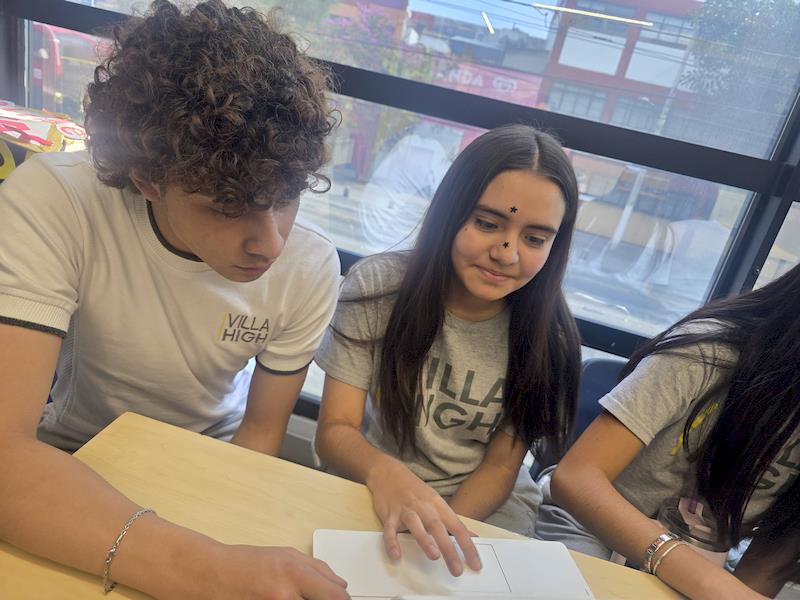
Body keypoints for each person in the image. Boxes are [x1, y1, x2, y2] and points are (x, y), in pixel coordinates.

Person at [0, 1, 350, 597]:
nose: (269, 243)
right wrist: (205, 568)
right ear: (147, 179)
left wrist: (218, 543)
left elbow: (260, 435)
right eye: (227, 207)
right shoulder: (57, 203)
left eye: (287, 197)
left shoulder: (311, 266)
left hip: (212, 459)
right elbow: (6, 450)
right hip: (75, 453)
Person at [314, 124, 582, 577]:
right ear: (450, 212)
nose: (507, 252)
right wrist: (388, 476)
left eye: (535, 239)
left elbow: (501, 467)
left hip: (485, 505)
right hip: (373, 478)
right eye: (488, 224)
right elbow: (335, 429)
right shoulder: (378, 287)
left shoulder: (549, 339)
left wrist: (441, 528)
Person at [536, 263, 800, 599]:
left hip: (702, 562)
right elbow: (575, 478)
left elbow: (765, 566)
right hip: (591, 527)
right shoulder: (707, 353)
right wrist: (701, 578)